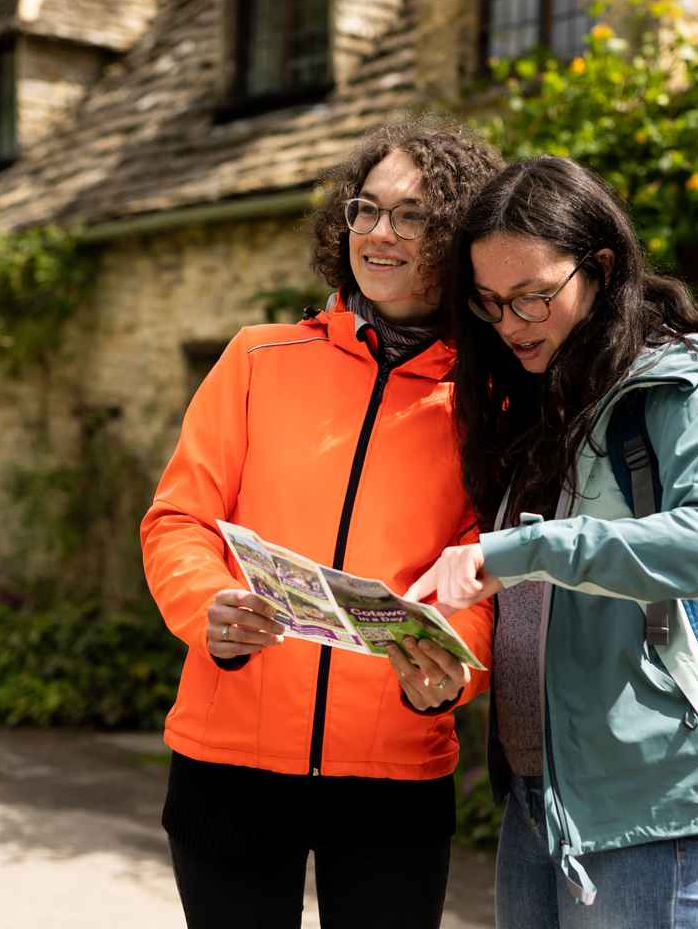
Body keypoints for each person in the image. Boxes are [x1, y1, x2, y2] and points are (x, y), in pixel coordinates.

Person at [404, 156, 698, 928]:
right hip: (541, 806)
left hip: (658, 814)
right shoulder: (546, 401)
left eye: (532, 297)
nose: (511, 324)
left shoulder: (687, 388)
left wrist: (519, 551)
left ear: (601, 268)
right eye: (489, 304)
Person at [140, 118, 503, 929]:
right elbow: (179, 520)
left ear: (457, 237)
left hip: (396, 773)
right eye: (365, 209)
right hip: (227, 759)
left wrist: (457, 666)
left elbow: (486, 566)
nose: (379, 233)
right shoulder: (257, 359)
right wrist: (208, 611)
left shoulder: (490, 403)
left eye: (413, 216)